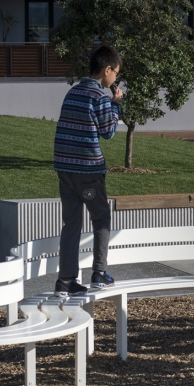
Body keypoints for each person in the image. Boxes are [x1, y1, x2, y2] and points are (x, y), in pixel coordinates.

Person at [52, 45, 125, 297]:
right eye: (116, 73)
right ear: (106, 70)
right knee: (101, 218)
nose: (115, 78)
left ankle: (66, 279)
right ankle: (99, 273)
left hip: (64, 169)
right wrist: (115, 105)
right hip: (88, 171)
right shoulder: (99, 96)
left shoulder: (72, 92)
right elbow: (108, 132)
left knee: (71, 223)